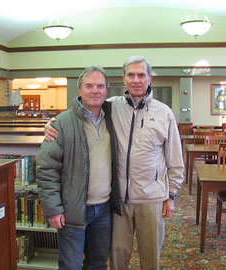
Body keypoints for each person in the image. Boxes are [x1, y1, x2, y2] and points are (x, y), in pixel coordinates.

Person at [45, 56, 184, 270]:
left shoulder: (164, 113)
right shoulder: (112, 106)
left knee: (150, 258)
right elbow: (82, 108)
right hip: (119, 203)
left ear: (150, 78)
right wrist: (51, 124)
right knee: (116, 259)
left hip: (152, 198)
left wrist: (171, 194)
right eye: (131, 75)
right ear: (124, 78)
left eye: (141, 75)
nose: (136, 80)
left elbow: (175, 159)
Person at [36, 66, 121, 270]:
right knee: (70, 265)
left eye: (100, 86)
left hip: (104, 209)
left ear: (106, 90)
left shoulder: (114, 118)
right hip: (73, 210)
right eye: (89, 85)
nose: (95, 90)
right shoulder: (62, 123)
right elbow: (46, 168)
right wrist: (53, 209)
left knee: (98, 263)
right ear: (79, 90)